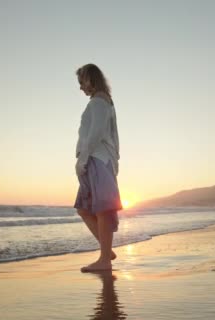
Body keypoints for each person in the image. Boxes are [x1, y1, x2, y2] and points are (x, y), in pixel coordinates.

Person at [74, 63, 123, 272]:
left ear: (91, 79)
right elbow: (113, 135)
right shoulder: (103, 102)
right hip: (98, 159)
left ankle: (104, 259)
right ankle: (106, 251)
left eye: (82, 82)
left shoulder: (98, 103)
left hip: (97, 159)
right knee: (84, 208)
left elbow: (96, 135)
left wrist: (82, 160)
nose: (80, 87)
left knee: (102, 209)